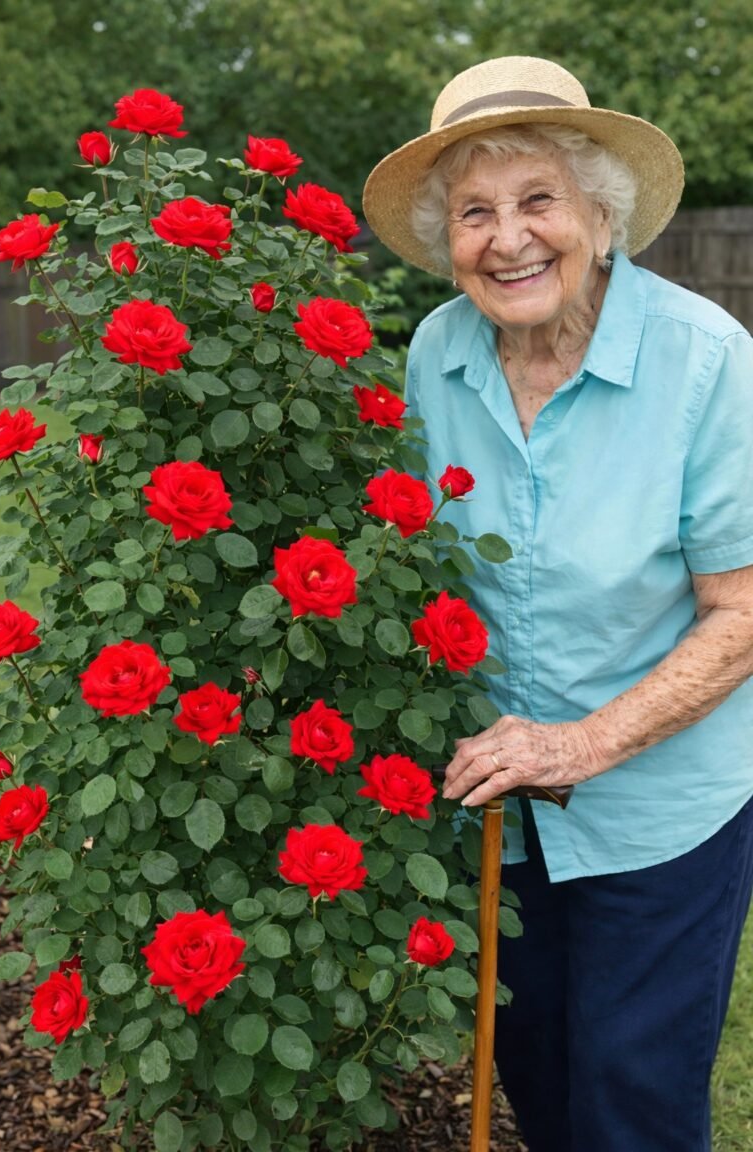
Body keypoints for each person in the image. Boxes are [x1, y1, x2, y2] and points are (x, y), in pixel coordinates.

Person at [363, 56, 753, 1152]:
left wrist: (581, 745)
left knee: (633, 1092)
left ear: (601, 212)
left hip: (661, 804)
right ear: (450, 242)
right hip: (500, 801)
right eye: (476, 212)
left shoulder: (707, 361)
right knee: (533, 1068)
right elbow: (414, 561)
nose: (510, 237)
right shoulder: (438, 352)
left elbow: (744, 610)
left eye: (540, 200)